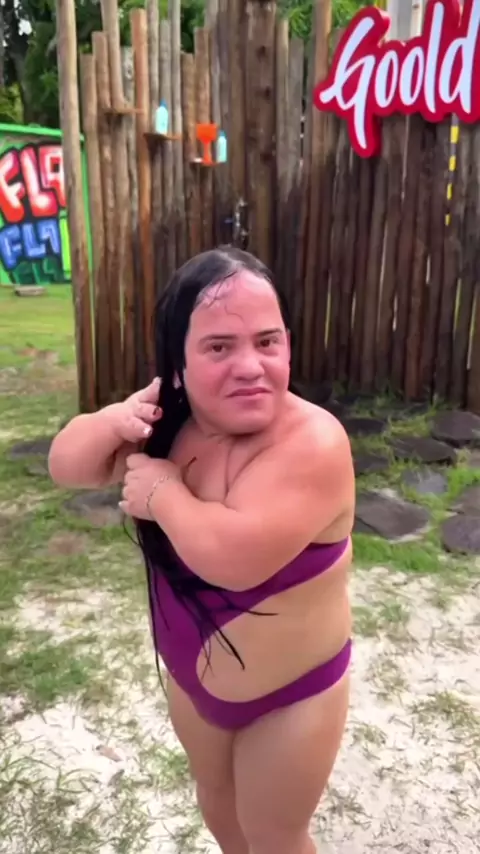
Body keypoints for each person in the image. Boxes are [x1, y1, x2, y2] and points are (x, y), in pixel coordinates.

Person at [48, 247, 355, 854]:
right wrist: (112, 421)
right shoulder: (173, 423)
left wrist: (164, 493)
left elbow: (233, 559)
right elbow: (67, 467)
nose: (250, 366)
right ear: (178, 365)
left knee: (274, 833)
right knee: (216, 803)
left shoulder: (313, 443)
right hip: (193, 683)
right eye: (219, 347)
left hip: (291, 700)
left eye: (267, 342)